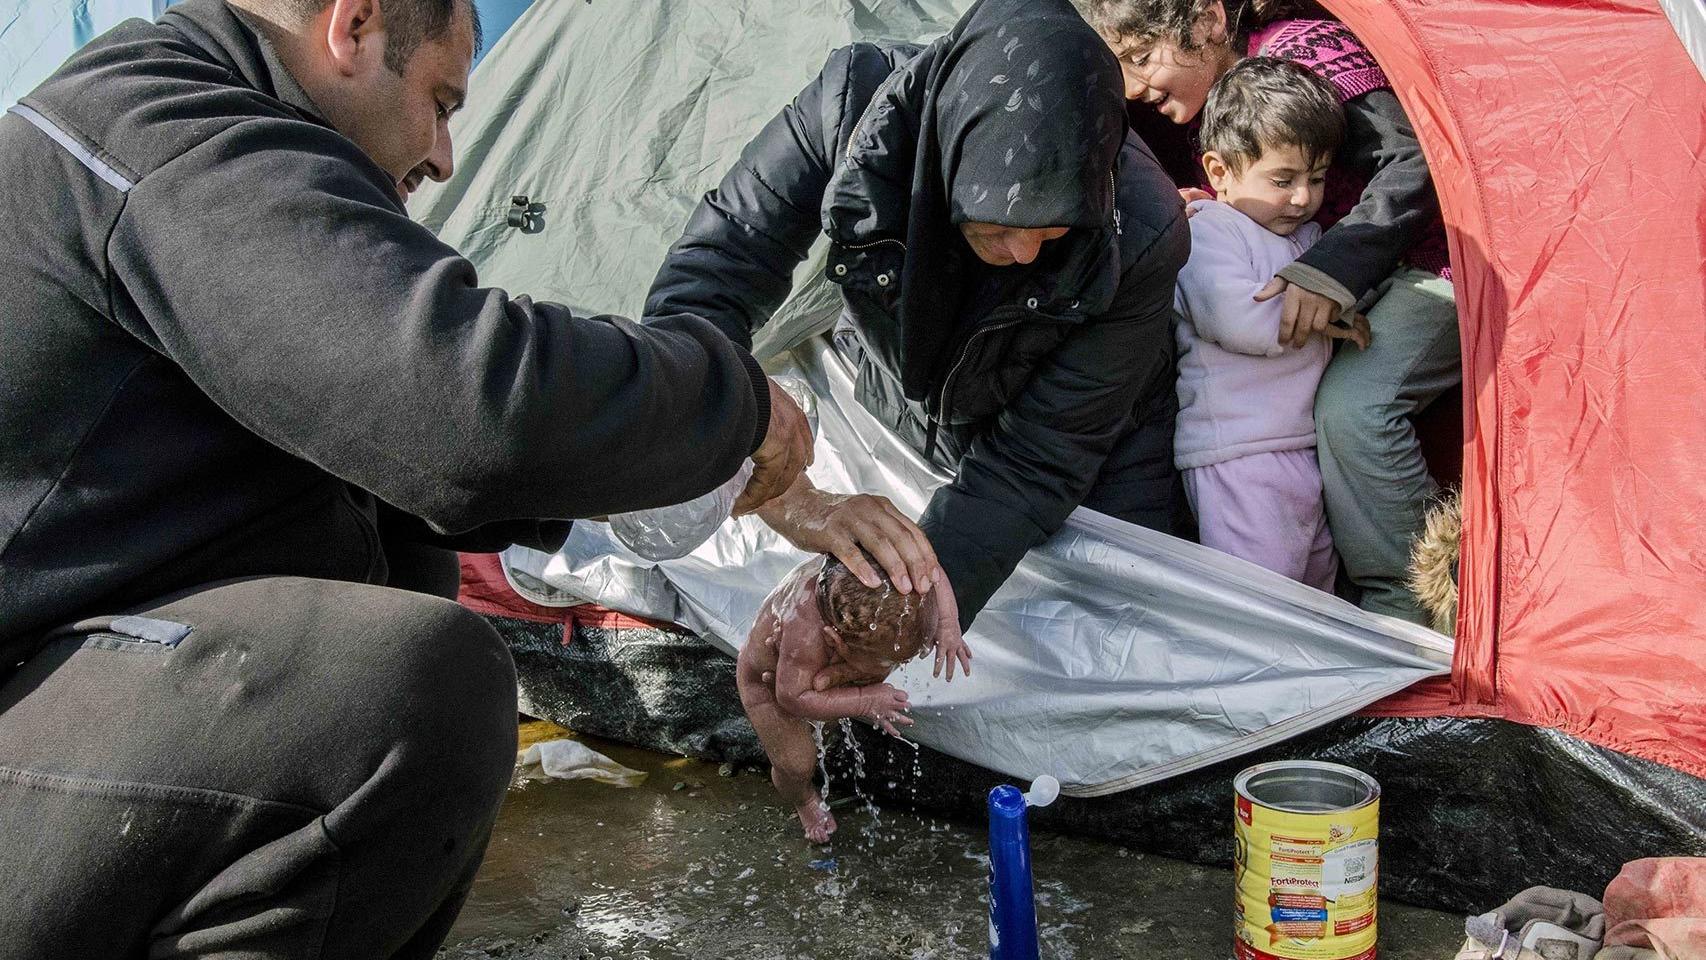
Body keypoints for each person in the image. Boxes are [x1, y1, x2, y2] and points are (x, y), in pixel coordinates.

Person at [0, 0, 815, 952]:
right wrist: (730, 403)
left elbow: (397, 455)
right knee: (404, 691)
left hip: (57, 681)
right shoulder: (168, 138)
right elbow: (464, 403)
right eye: (440, 102)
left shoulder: (189, 127)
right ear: (353, 28)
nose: (444, 156)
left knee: (401, 559)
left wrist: (644, 481)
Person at [645, 0, 1194, 638]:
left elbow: (1039, 457)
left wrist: (907, 611)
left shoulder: (1143, 230)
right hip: (902, 392)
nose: (1023, 253)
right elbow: (719, 265)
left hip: (1097, 442)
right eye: (998, 225)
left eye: (1054, 230)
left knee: (1119, 630)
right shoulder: (852, 107)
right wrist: (745, 440)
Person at [1076, 0, 1461, 623]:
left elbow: (1416, 159)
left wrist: (1329, 272)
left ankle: (1415, 603)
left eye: (1142, 57)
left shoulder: (1303, 53)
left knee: (1355, 408)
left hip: (1433, 264)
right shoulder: (1225, 107)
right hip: (1351, 304)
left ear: (1206, 20)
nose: (1133, 86)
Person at [1173, 57, 1363, 589]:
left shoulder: (1306, 240)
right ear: (1219, 173)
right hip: (1239, 453)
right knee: (1260, 601)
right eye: (1283, 179)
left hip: (1299, 445)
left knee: (1317, 589)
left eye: (1317, 179)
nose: (1303, 197)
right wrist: (1327, 316)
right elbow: (1236, 320)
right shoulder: (1209, 232)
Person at [737, 555, 969, 842]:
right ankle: (803, 798)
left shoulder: (895, 567)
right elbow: (792, 696)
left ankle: (825, 727)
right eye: (891, 660)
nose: (902, 664)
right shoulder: (805, 633)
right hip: (769, 687)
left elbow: (933, 571)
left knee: (824, 732)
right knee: (797, 763)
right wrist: (864, 700)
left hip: (808, 677)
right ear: (837, 641)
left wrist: (947, 623)